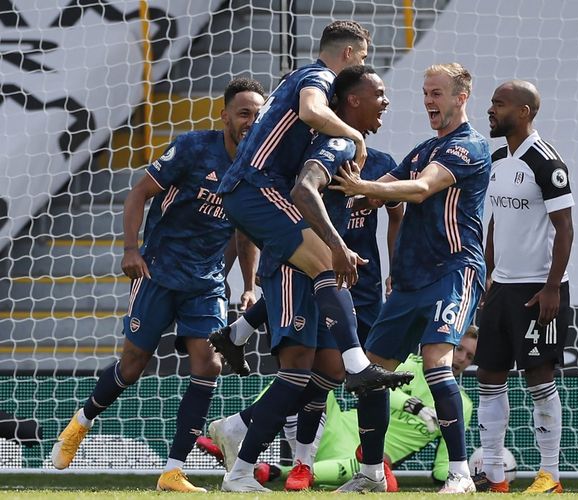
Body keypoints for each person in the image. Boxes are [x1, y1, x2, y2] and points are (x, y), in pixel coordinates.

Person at [49, 78, 266, 492]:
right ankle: (81, 422)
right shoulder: (193, 148)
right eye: (243, 113)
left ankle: (173, 470)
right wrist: (132, 249)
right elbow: (138, 194)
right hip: (159, 272)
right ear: (225, 116)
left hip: (206, 282)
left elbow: (246, 231)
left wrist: (250, 284)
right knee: (132, 366)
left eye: (258, 114)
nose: (251, 122)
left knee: (210, 363)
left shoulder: (259, 166)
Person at [218, 65, 411, 493]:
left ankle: (244, 433)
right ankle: (246, 462)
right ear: (353, 100)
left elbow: (399, 206)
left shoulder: (368, 156)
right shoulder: (337, 142)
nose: (387, 101)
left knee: (323, 374)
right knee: (299, 372)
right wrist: (338, 245)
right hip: (292, 273)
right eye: (379, 93)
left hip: (338, 283)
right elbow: (303, 190)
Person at [212, 21, 410, 394]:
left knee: (317, 265)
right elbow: (309, 111)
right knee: (328, 260)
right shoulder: (317, 76)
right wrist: (352, 134)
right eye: (362, 57)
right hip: (255, 186)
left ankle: (236, 335)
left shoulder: (302, 77)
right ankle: (357, 366)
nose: (361, 66)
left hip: (249, 190)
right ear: (348, 54)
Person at [331, 62, 491, 494]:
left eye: (436, 93)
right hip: (409, 281)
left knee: (438, 362)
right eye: (425, 93)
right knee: (371, 374)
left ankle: (460, 474)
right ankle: (370, 474)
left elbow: (418, 189)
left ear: (461, 97)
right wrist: (330, 190)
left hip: (453, 271)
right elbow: (380, 184)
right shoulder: (423, 149)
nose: (428, 102)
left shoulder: (469, 147)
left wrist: (366, 189)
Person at [199, 327, 478, 490]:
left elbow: (444, 463)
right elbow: (373, 384)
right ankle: (242, 429)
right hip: (333, 425)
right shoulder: (409, 366)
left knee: (370, 467)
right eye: (459, 348)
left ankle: (270, 470)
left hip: (363, 453)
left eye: (469, 355)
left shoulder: (460, 405)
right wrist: (411, 404)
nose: (461, 358)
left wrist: (468, 473)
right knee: (308, 377)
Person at [472, 80, 574, 494]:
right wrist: (487, 274)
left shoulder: (547, 162)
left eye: (499, 103)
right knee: (489, 377)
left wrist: (552, 288)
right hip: (501, 289)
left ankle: (549, 474)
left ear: (525, 111)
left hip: (539, 290)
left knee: (538, 379)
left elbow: (565, 228)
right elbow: (495, 222)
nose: (491, 110)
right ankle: (493, 473)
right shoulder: (498, 159)